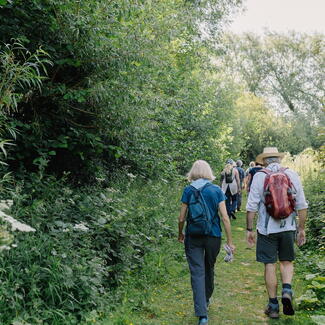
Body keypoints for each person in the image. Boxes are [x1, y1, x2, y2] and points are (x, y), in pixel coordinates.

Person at [246, 147, 308, 319]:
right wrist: (301, 229)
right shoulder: (292, 174)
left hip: (266, 230)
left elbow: (251, 206)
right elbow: (302, 205)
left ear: (264, 161)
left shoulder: (259, 176)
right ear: (279, 160)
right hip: (288, 227)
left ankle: (273, 306)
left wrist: (249, 230)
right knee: (287, 262)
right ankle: (287, 289)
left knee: (270, 264)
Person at [178, 160, 235, 325]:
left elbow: (181, 217)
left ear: (193, 172)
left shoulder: (188, 190)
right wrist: (230, 241)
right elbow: (225, 217)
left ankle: (202, 314)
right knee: (209, 267)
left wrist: (180, 233)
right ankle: (206, 299)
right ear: (208, 172)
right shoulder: (216, 190)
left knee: (197, 272)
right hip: (213, 236)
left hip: (193, 236)